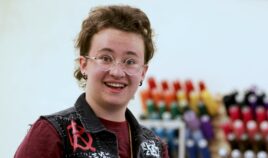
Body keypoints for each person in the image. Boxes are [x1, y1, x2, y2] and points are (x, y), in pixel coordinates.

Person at [15, 5, 169, 158]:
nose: (117, 72)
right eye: (105, 58)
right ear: (84, 65)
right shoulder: (52, 134)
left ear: (142, 72)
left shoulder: (155, 147)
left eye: (130, 61)